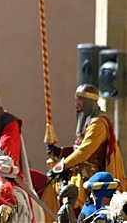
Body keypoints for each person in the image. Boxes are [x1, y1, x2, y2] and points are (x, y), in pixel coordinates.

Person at [44, 84, 127, 219]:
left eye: (80, 100)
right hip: (79, 171)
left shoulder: (98, 123)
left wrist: (60, 167)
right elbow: (78, 147)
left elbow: (84, 152)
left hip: (90, 175)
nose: (76, 103)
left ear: (90, 102)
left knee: (70, 193)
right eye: (76, 99)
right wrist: (60, 152)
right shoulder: (88, 122)